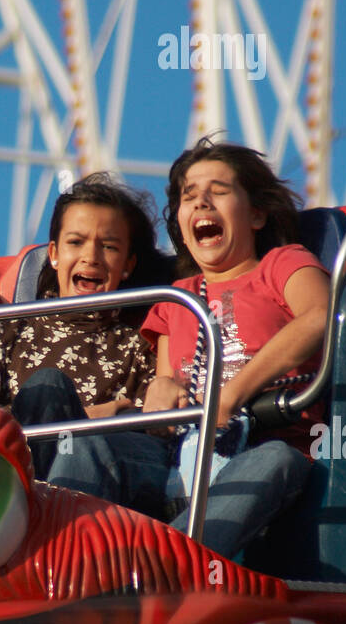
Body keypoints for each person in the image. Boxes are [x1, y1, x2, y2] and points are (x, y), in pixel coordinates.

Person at [75, 138, 330, 559]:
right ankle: (69, 567)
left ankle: (158, 565)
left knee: (277, 460)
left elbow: (319, 316)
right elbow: (167, 378)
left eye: (220, 191)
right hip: (181, 457)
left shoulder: (282, 263)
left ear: (257, 214)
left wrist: (231, 395)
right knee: (87, 448)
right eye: (189, 196)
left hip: (264, 442)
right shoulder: (176, 296)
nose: (202, 203)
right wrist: (159, 391)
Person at [0, 175, 160, 500]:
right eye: (76, 242)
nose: (91, 256)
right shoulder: (5, 329)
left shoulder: (141, 345)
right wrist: (85, 417)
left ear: (128, 264)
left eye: (108, 246)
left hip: (93, 493)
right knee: (47, 387)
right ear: (54, 254)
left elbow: (150, 432)